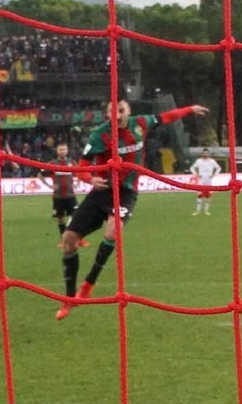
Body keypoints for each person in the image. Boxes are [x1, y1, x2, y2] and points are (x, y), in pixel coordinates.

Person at [56, 99, 209, 320]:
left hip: (126, 192)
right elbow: (80, 167)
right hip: (102, 191)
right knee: (69, 239)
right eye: (112, 111)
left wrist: (190, 109)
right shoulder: (100, 135)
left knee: (112, 232)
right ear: (107, 114)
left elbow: (166, 117)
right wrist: (90, 178)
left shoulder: (141, 123)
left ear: (128, 111)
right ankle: (70, 298)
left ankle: (88, 285)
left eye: (121, 110)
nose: (117, 115)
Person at [39, 141, 88, 247]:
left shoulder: (72, 162)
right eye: (61, 149)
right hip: (58, 196)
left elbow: (80, 172)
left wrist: (78, 182)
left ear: (67, 150)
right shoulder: (52, 163)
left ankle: (79, 240)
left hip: (71, 195)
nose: (63, 151)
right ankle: (63, 241)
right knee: (61, 219)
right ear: (57, 151)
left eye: (65, 149)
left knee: (76, 218)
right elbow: (40, 174)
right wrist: (49, 185)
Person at [188, 148, 222, 216]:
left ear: (209, 154)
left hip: (208, 180)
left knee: (208, 195)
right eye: (204, 153)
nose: (205, 154)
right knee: (199, 195)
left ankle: (206, 211)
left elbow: (218, 168)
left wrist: (214, 174)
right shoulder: (199, 161)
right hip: (201, 180)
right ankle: (198, 211)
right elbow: (192, 168)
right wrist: (196, 174)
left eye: (207, 153)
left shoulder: (212, 161)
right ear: (202, 154)